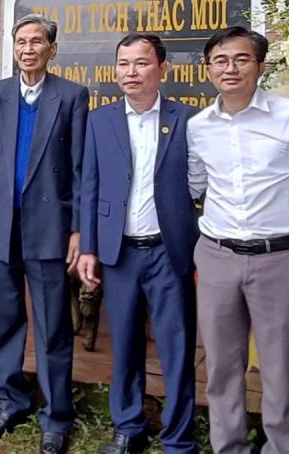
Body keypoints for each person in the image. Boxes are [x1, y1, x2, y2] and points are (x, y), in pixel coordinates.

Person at [186, 26, 289, 454]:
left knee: (282, 371)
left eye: (241, 59)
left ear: (260, 66)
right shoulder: (198, 127)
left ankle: (284, 449)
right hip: (216, 257)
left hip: (281, 260)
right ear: (208, 69)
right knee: (221, 369)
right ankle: (228, 446)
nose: (230, 68)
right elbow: (196, 184)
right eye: (220, 60)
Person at [0, 14, 88, 454]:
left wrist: (77, 229)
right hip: (0, 225)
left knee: (53, 324)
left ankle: (57, 416)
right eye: (21, 41)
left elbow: (78, 169)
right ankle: (10, 398)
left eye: (38, 42)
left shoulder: (72, 97)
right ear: (13, 48)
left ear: (52, 50)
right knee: (3, 317)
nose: (29, 49)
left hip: (49, 228)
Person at [77, 34, 199, 454]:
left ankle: (178, 438)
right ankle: (128, 427)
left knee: (176, 347)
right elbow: (88, 187)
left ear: (162, 69)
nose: (131, 72)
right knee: (125, 344)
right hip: (119, 252)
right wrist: (89, 247)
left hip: (170, 251)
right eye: (123, 63)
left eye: (141, 63)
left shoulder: (188, 120)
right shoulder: (100, 120)